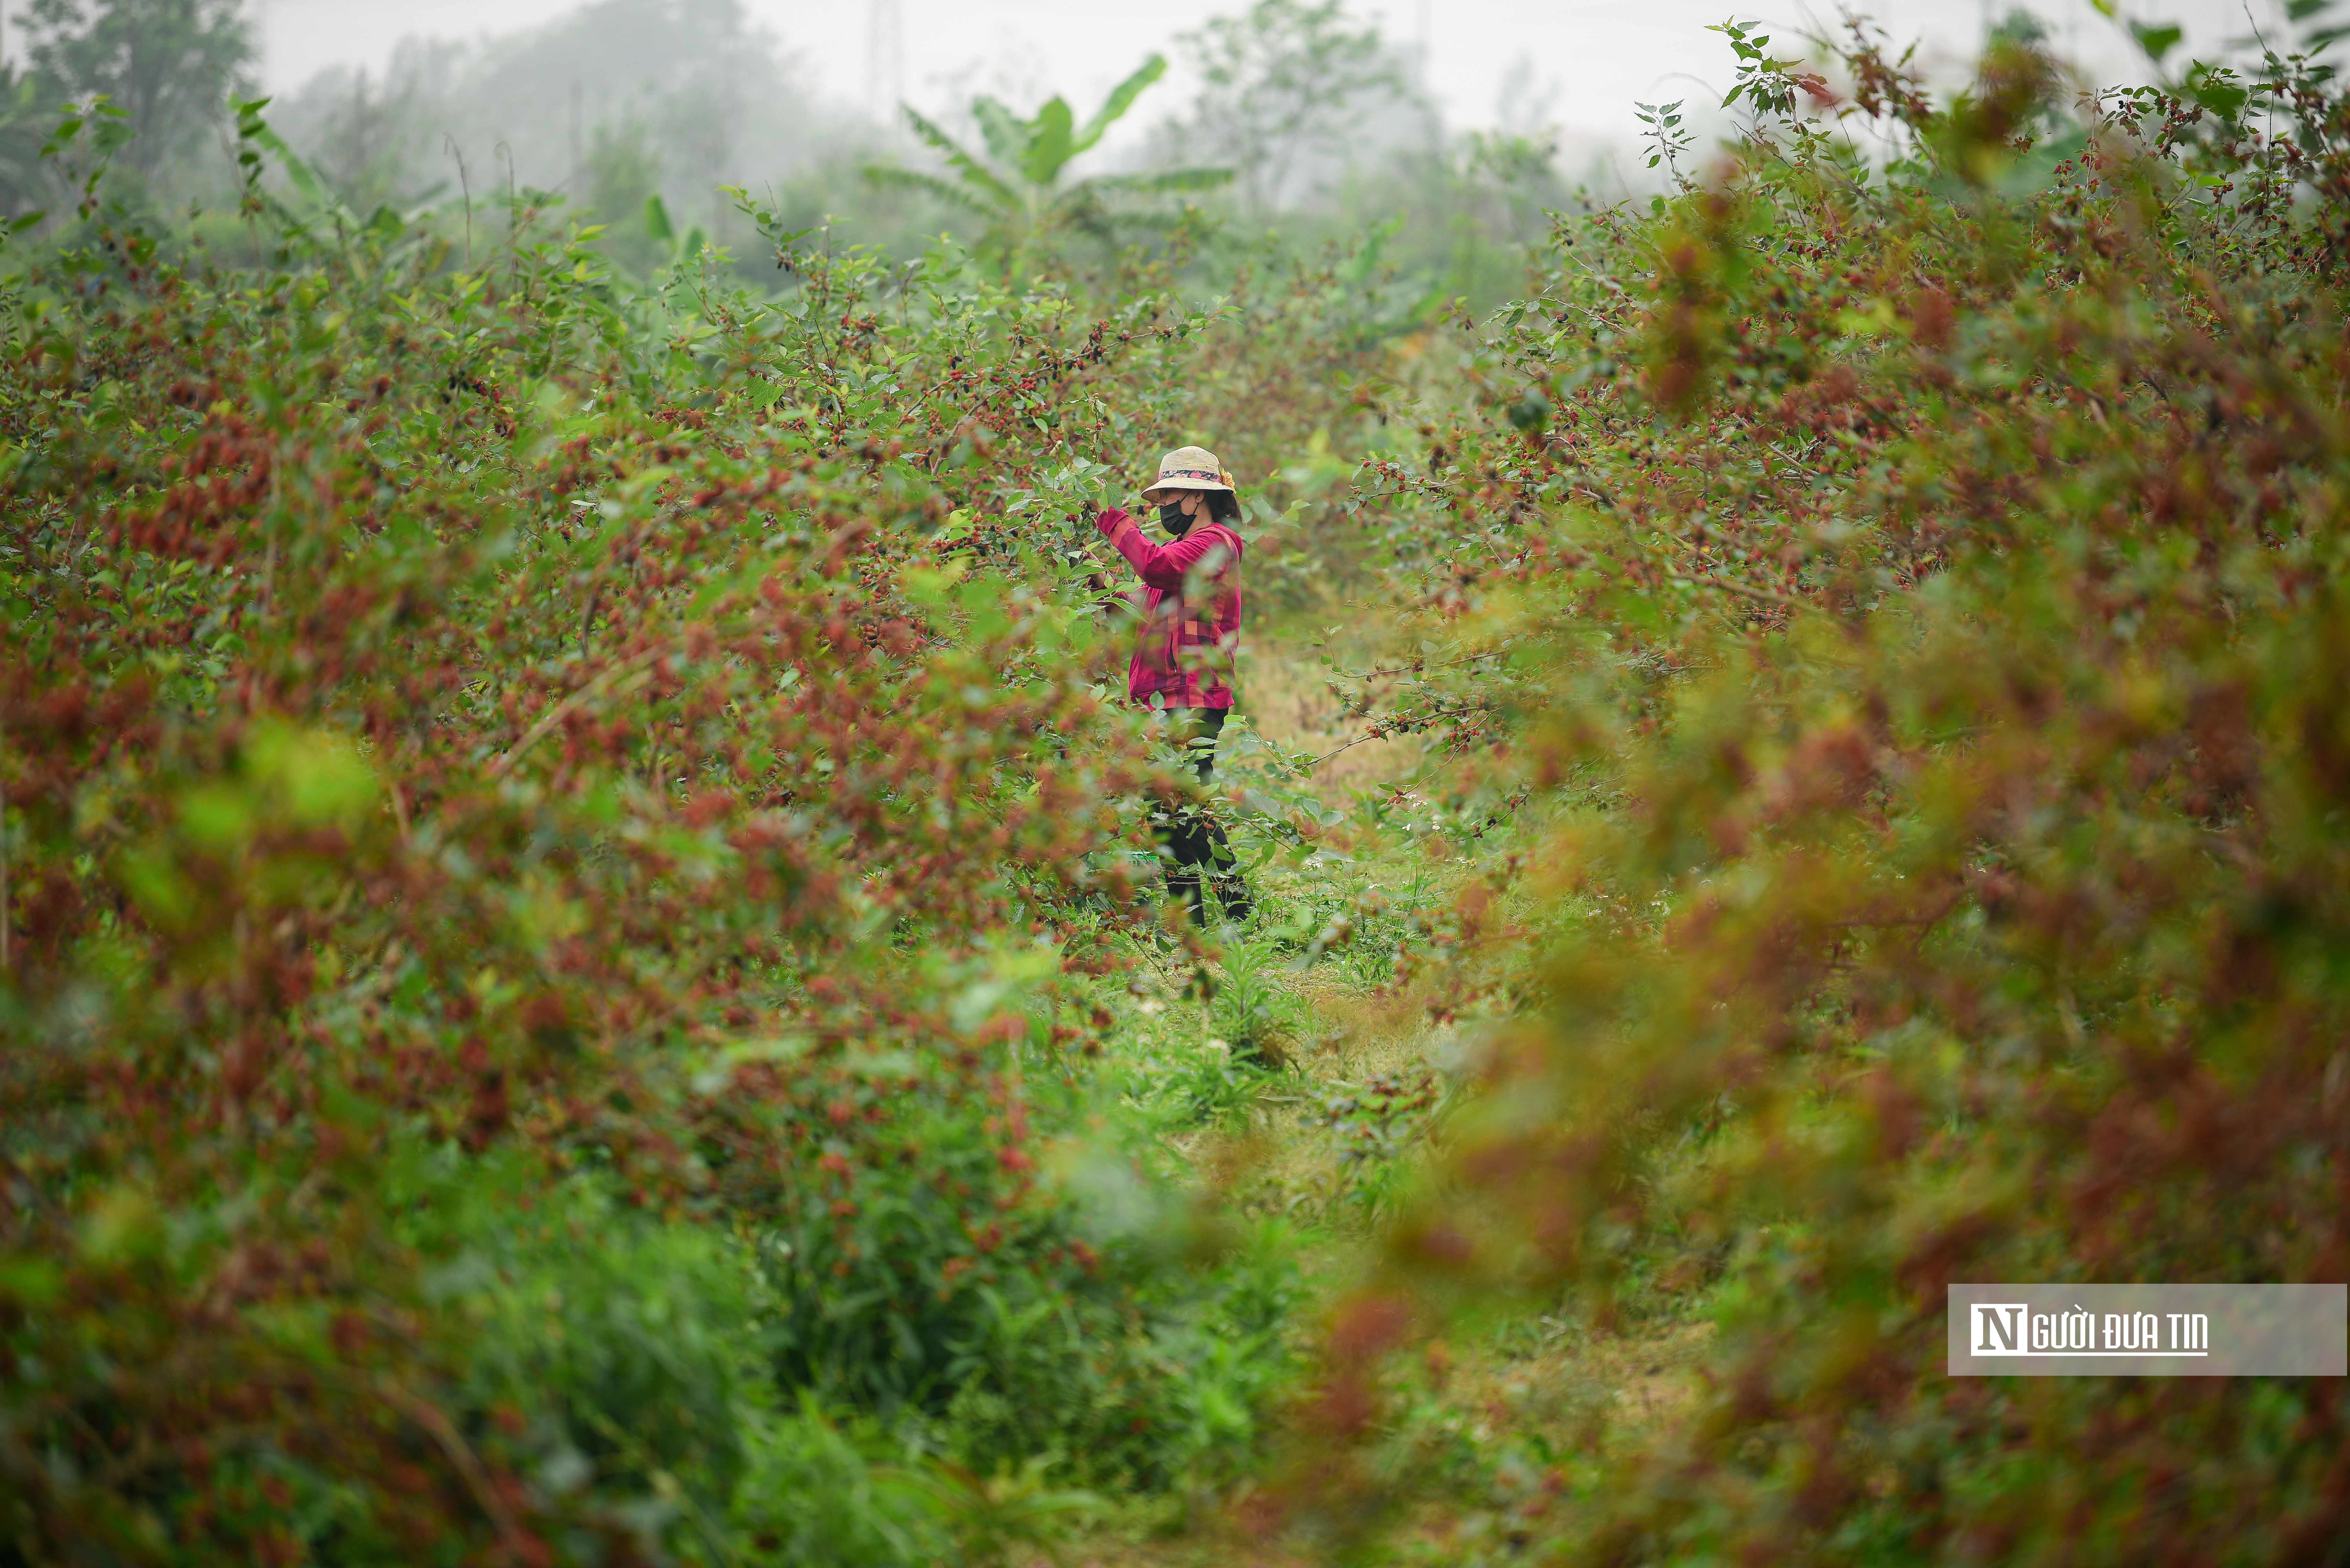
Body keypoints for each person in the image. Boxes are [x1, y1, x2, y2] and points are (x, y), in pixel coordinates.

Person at [1096, 446, 1251, 927]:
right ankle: (1194, 923)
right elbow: (1138, 608)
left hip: (1192, 696)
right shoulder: (1184, 556)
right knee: (1167, 812)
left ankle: (1237, 914)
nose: (1164, 506)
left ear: (1198, 498)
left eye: (1171, 495)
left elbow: (1154, 567)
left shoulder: (1213, 543)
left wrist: (1111, 520)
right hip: (1168, 698)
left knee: (1183, 808)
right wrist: (1094, 584)